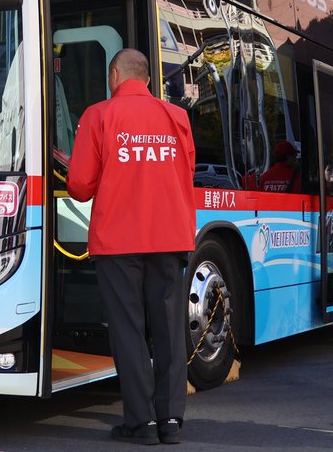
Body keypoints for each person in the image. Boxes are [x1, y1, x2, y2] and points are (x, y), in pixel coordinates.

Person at [67, 49, 196, 445]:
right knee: (170, 332)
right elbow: (185, 170)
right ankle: (171, 421)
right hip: (169, 237)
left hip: (118, 241)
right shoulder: (177, 117)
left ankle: (139, 424)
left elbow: (80, 186)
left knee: (129, 331)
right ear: (148, 80)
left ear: (114, 76)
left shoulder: (99, 115)